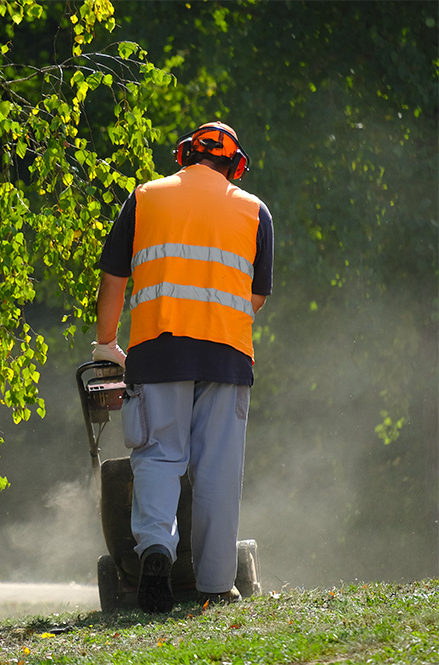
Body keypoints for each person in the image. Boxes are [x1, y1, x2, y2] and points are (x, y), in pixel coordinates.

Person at [92, 121, 274, 613]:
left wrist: (106, 344)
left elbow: (114, 281)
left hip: (157, 352)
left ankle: (155, 551)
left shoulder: (145, 198)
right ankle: (217, 585)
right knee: (217, 470)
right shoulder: (255, 211)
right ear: (234, 164)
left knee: (156, 456)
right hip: (227, 357)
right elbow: (254, 297)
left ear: (185, 155)